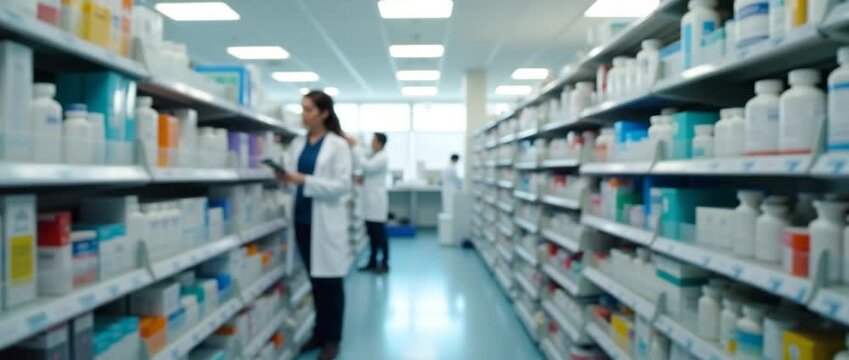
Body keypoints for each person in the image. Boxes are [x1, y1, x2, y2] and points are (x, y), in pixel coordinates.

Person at [278, 90, 351, 360]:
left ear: (324, 113)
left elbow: (342, 186)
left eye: (309, 109)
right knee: (315, 281)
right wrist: (284, 175)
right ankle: (319, 332)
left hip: (325, 223)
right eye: (303, 109)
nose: (304, 115)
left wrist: (304, 180)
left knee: (331, 283)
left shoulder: (338, 145)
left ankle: (333, 339)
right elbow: (291, 173)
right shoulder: (298, 143)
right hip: (302, 221)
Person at [347, 133, 390, 273]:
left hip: (376, 203)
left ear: (380, 143)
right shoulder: (374, 155)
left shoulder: (382, 157)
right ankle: (372, 262)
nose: (371, 142)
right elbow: (368, 173)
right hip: (370, 202)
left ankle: (385, 263)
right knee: (371, 235)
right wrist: (359, 178)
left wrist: (355, 147)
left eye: (373, 140)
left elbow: (367, 167)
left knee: (380, 235)